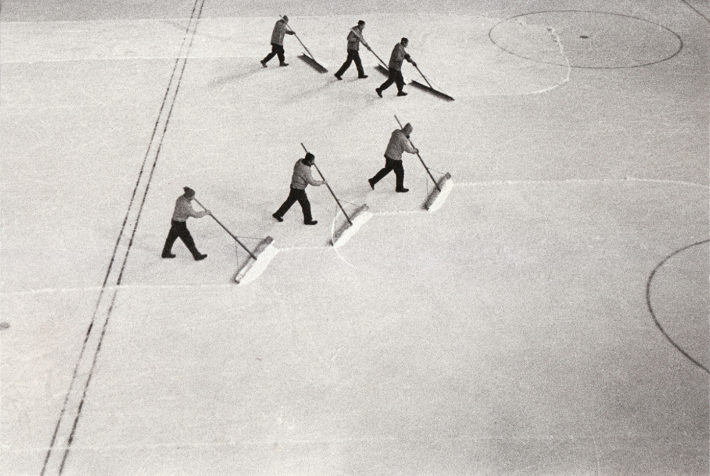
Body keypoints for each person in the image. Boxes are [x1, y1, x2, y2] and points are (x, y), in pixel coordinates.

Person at [273, 153, 325, 225]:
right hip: (299, 189)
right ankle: (308, 220)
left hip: (294, 185)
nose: (314, 162)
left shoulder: (299, 161)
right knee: (306, 205)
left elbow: (302, 167)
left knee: (289, 202)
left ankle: (278, 214)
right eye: (313, 161)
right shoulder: (306, 170)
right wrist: (322, 182)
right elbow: (312, 182)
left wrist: (310, 164)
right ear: (309, 161)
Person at [162, 187, 210, 260]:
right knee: (188, 240)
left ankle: (165, 253)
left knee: (171, 238)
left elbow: (187, 191)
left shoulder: (181, 198)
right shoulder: (185, 205)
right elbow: (195, 215)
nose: (194, 197)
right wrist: (206, 213)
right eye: (193, 196)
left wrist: (188, 190)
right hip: (180, 224)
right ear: (188, 197)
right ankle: (197, 255)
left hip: (175, 221)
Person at [368, 123, 418, 193]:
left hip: (388, 154)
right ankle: (399, 188)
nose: (410, 133)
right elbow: (409, 150)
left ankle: (373, 180)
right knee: (400, 172)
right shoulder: (403, 139)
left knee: (387, 169)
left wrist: (406, 136)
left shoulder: (396, 132)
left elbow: (400, 136)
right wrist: (415, 150)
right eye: (409, 132)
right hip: (395, 158)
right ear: (407, 131)